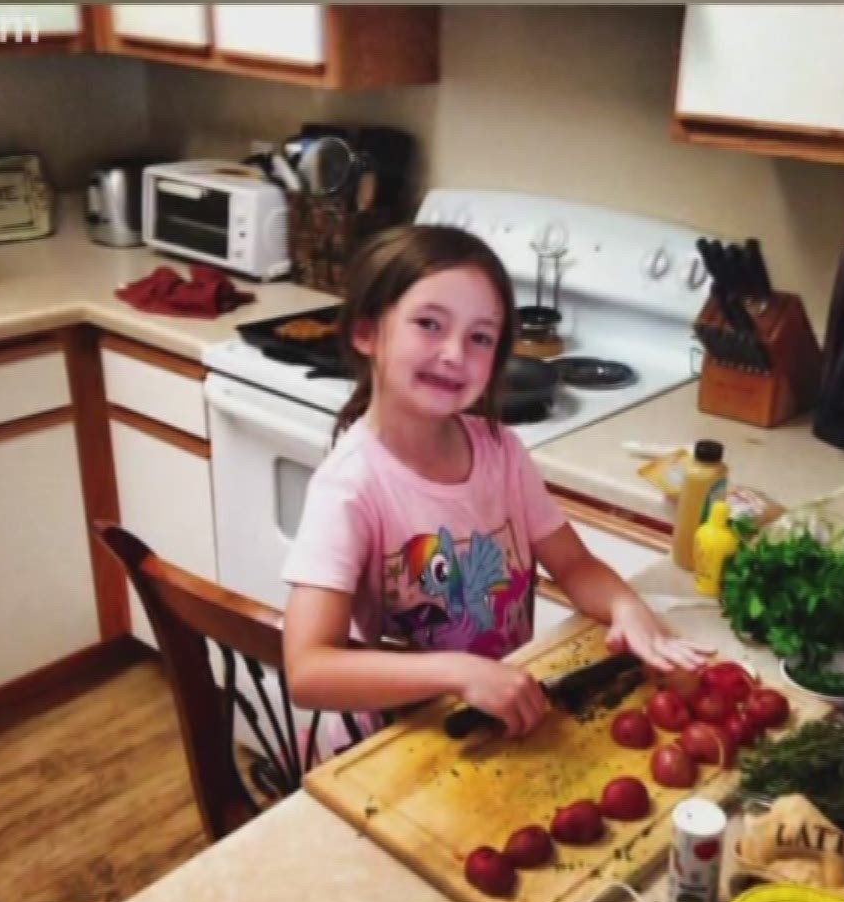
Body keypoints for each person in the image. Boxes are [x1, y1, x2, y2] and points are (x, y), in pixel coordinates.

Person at [282, 224, 713, 740]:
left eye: (480, 337)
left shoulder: (498, 450)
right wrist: (459, 672)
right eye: (429, 324)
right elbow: (308, 672)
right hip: (403, 736)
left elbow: (574, 565)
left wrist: (627, 607)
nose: (455, 353)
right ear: (367, 332)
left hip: (502, 713)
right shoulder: (351, 487)